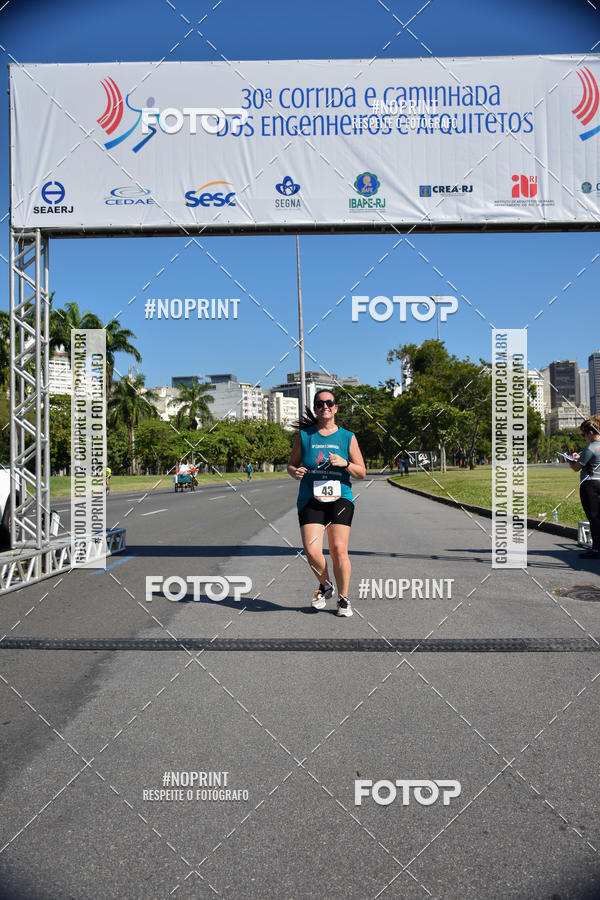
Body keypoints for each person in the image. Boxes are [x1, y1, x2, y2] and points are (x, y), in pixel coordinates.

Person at [287, 389, 366, 617]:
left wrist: (345, 463)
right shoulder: (305, 436)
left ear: (336, 407)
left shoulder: (347, 437)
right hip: (311, 499)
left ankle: (343, 599)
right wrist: (295, 472)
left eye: (329, 403)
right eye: (320, 403)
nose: (325, 406)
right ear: (316, 408)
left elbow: (361, 472)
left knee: (339, 549)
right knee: (312, 551)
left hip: (340, 498)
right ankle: (325, 585)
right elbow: (291, 464)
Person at [569, 416, 600, 559]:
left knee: (593, 516)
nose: (584, 437)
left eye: (584, 434)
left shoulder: (591, 447)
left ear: (591, 433)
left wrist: (570, 460)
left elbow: (576, 467)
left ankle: (596, 549)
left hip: (590, 484)